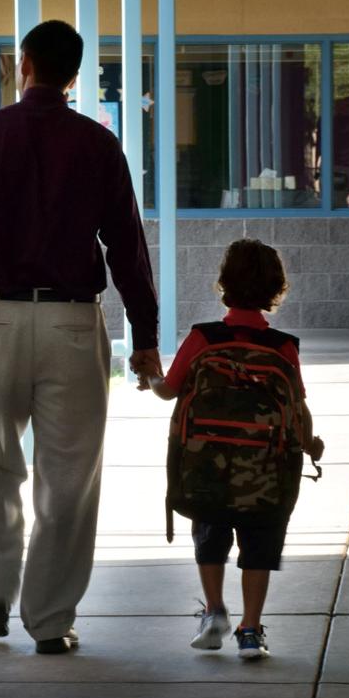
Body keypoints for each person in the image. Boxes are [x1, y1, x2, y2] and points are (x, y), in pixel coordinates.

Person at [0, 20, 162, 655]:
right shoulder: (98, 145)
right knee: (69, 477)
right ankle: (50, 621)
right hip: (73, 324)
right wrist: (145, 337)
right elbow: (127, 248)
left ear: (23, 63)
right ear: (75, 75)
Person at [146, 239, 325, 660]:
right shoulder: (283, 347)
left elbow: (169, 391)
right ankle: (250, 629)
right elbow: (297, 407)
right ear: (276, 288)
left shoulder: (203, 338)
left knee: (210, 532)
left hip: (207, 465)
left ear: (224, 283)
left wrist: (151, 376)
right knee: (260, 542)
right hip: (266, 471)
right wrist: (311, 445)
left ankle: (213, 612)